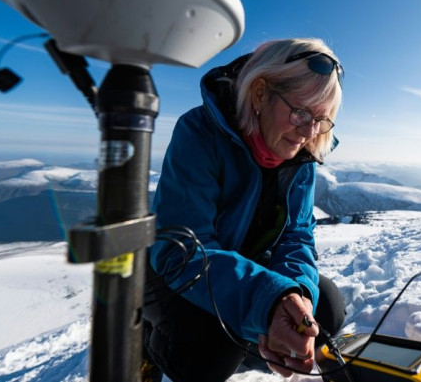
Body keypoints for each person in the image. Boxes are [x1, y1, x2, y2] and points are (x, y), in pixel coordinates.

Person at [142, 38, 346, 382]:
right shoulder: (200, 133)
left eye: (321, 119)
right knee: (210, 353)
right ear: (260, 93)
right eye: (300, 112)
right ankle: (152, 347)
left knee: (324, 308)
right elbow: (182, 249)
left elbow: (296, 236)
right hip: (172, 271)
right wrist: (266, 303)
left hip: (240, 265)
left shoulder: (302, 157)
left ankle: (249, 342)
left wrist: (293, 294)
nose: (309, 131)